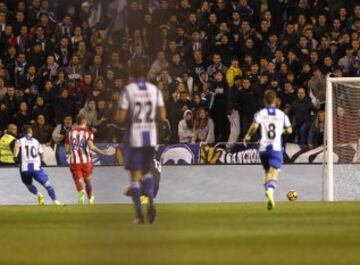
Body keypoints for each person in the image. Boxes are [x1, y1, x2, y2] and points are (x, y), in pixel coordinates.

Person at [117, 62, 166, 224]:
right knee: (146, 172)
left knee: (135, 176)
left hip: (134, 137)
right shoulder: (155, 90)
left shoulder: (128, 91)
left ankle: (139, 215)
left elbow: (121, 118)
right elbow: (162, 116)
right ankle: (151, 200)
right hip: (150, 137)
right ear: (146, 74)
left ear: (132, 75)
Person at [243, 90, 292, 210]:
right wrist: (281, 131)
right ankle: (270, 192)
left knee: (266, 172)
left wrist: (247, 137)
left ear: (264, 101)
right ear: (275, 101)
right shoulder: (282, 114)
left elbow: (254, 126)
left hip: (263, 148)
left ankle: (269, 198)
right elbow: (290, 130)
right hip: (275, 148)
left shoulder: (260, 113)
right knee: (274, 172)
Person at [13, 125, 63, 206]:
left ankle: (38, 194)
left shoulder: (20, 141)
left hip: (25, 168)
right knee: (47, 185)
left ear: (23, 133)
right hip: (36, 168)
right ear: (31, 132)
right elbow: (42, 155)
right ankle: (56, 200)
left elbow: (16, 147)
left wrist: (15, 156)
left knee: (28, 184)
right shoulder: (36, 141)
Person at [64, 114, 107, 205]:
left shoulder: (70, 133)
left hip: (75, 161)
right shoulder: (88, 132)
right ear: (85, 122)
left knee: (77, 181)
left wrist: (72, 150)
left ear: (77, 122)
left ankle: (81, 191)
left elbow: (66, 149)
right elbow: (91, 147)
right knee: (87, 180)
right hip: (86, 161)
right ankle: (90, 198)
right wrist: (101, 151)